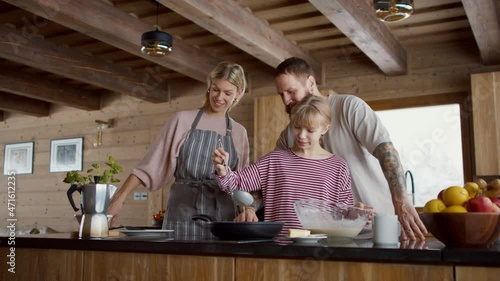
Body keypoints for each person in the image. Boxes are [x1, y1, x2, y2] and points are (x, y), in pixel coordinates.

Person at [270, 57, 427, 241]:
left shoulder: (350, 108)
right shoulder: (289, 135)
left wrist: (401, 202)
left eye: (291, 91)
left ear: (311, 83)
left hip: (380, 233)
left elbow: (386, 152)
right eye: (281, 94)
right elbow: (270, 175)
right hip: (328, 240)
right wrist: (249, 206)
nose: (286, 100)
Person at [107, 61, 250, 227]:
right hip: (183, 212)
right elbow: (150, 164)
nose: (219, 97)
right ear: (209, 85)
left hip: (223, 218)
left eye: (227, 93)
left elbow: (242, 183)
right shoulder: (183, 120)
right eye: (216, 89)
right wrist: (119, 198)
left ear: (238, 93)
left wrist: (249, 209)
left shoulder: (239, 132)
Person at [212, 95, 357, 235]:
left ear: (325, 129)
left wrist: (357, 212)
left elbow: (343, 213)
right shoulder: (275, 160)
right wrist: (223, 169)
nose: (301, 135)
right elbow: (235, 184)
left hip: (321, 250)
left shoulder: (338, 166)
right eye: (297, 127)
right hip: (280, 250)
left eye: (310, 130)